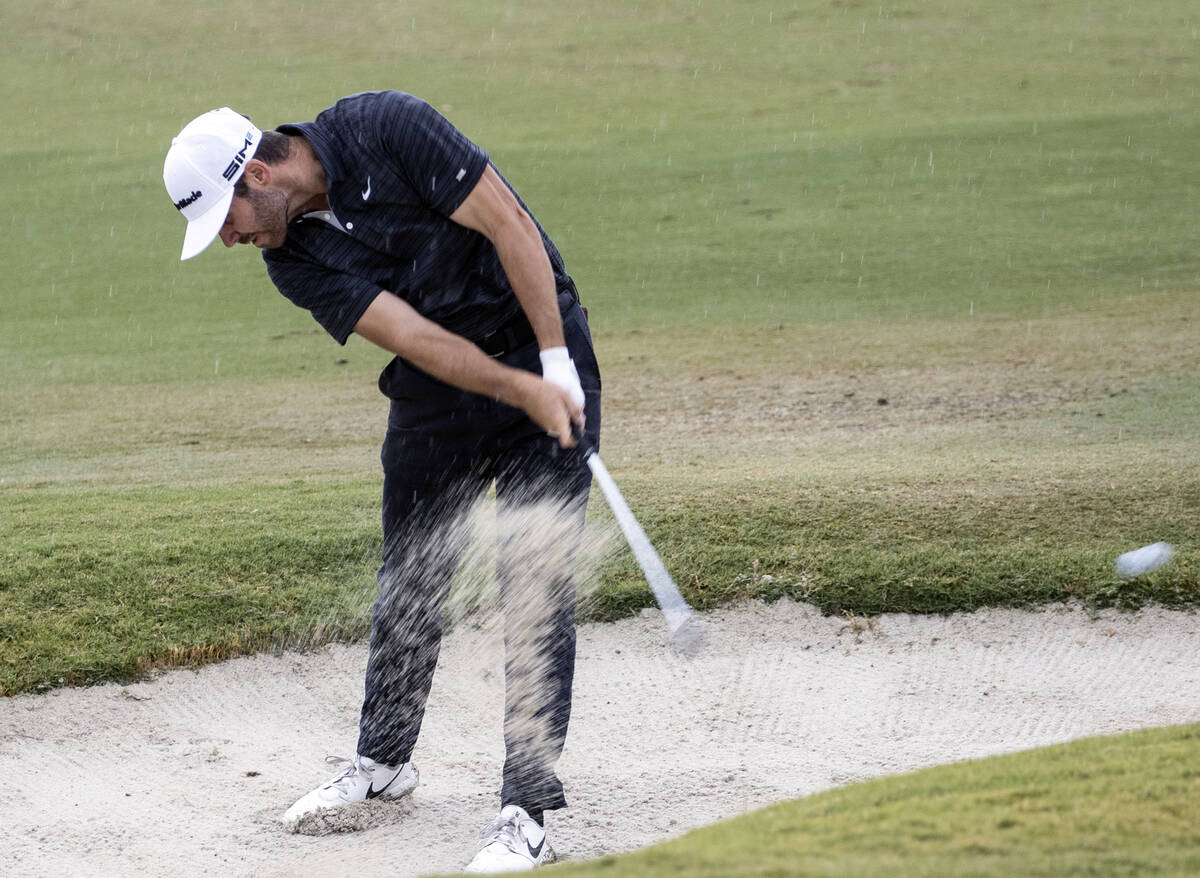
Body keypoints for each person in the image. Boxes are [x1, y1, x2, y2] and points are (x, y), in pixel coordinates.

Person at [162, 91, 601, 873]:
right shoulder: (289, 258)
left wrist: (553, 365)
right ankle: (383, 765)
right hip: (443, 383)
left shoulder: (387, 127)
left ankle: (525, 814)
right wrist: (515, 388)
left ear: (256, 173)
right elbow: (414, 337)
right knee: (412, 574)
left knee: (533, 582)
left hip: (540, 338)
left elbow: (509, 224)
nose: (229, 241)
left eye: (225, 220)